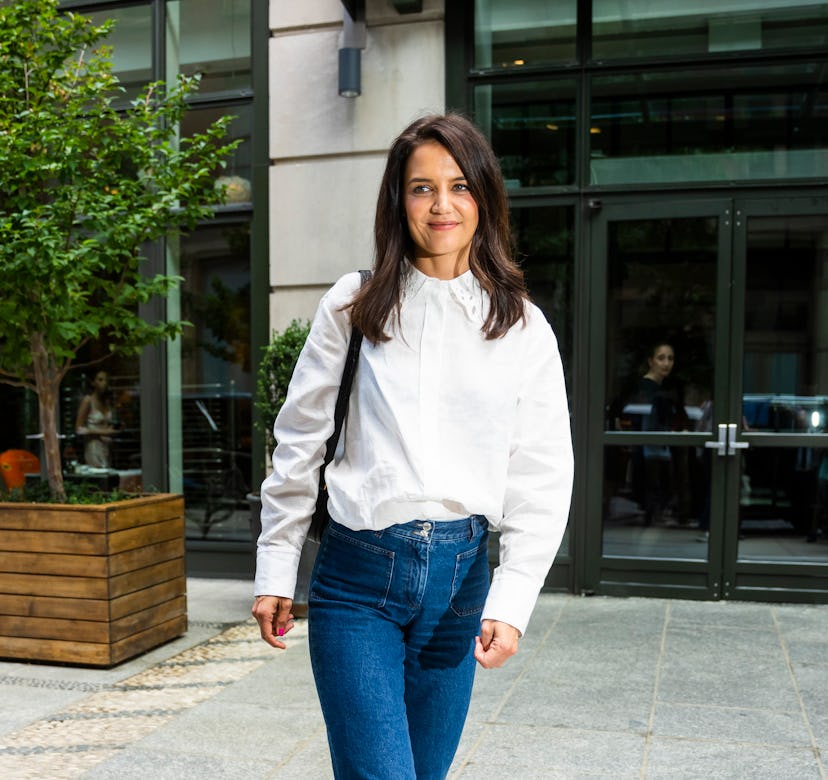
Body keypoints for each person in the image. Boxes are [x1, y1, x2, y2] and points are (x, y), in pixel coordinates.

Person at [252, 113, 574, 780]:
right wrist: (276, 565)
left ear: (484, 196)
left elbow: (542, 474)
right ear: (398, 202)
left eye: (459, 185)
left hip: (460, 585)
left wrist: (510, 603)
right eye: (421, 188)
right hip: (356, 583)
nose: (442, 204)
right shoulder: (356, 304)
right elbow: (300, 441)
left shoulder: (520, 326)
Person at [632, 341, 688, 525]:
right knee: (655, 488)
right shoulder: (644, 388)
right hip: (648, 448)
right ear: (651, 361)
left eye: (670, 359)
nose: (666, 363)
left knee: (663, 487)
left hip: (660, 447)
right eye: (661, 358)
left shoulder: (665, 388)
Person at [75, 370, 116, 468]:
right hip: (94, 447)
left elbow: (111, 425)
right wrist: (104, 432)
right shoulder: (88, 401)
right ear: (93, 382)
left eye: (106, 380)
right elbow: (78, 429)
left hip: (108, 447)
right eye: (100, 380)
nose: (104, 383)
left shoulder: (107, 402)